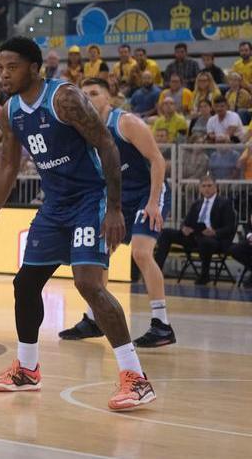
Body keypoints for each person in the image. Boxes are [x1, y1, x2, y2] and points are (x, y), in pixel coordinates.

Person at [0, 37, 155, 411]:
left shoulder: (65, 98)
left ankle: (135, 378)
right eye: (0, 67)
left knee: (88, 283)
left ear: (34, 68)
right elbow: (8, 165)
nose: (4, 74)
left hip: (91, 199)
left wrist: (115, 208)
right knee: (26, 283)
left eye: (12, 67)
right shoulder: (10, 111)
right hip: (55, 206)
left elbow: (107, 144)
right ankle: (26, 369)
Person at [63, 79, 174, 347]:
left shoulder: (125, 123)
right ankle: (94, 318)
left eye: (93, 93)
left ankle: (162, 324)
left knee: (140, 252)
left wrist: (152, 202)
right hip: (119, 199)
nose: (88, 98)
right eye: (84, 94)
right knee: (99, 253)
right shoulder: (86, 131)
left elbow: (158, 160)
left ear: (108, 98)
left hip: (148, 192)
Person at [154, 176, 237, 285]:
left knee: (206, 242)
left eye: (209, 186)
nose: (206, 189)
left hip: (213, 239)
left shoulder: (224, 203)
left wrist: (215, 232)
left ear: (216, 187)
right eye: (203, 186)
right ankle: (155, 271)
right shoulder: (197, 204)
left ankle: (205, 275)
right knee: (166, 233)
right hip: (194, 236)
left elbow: (230, 227)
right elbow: (186, 221)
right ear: (200, 189)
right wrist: (184, 228)